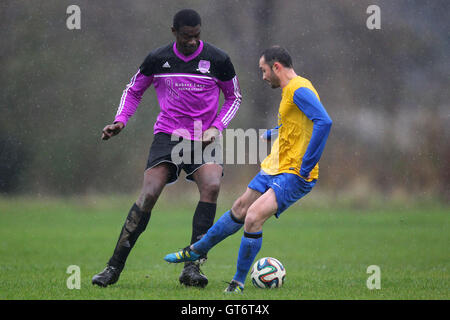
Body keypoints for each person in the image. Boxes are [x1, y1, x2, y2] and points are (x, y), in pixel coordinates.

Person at [92, 9, 242, 288]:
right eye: (187, 37)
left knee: (211, 186)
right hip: (167, 135)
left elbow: (234, 97)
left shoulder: (218, 59)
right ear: (174, 32)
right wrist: (120, 121)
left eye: (197, 36)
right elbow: (134, 90)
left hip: (202, 137)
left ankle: (193, 267)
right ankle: (113, 267)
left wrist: (216, 127)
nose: (192, 42)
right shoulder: (158, 59)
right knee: (148, 194)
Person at [164, 46, 332, 293]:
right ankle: (196, 251)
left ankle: (238, 282)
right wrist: (274, 133)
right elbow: (299, 125)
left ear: (276, 67)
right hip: (275, 165)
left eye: (263, 70)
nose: (263, 76)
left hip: (294, 172)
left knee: (253, 218)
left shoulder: (299, 89)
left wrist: (306, 166)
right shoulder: (291, 89)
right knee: (240, 208)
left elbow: (324, 122)